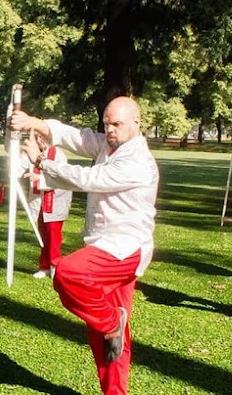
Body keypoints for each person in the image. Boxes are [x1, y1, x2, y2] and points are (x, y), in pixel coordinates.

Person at [10, 96, 159, 395]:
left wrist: (41, 161)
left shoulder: (137, 161)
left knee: (67, 273)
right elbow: (74, 137)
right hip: (104, 245)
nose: (110, 129)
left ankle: (112, 321)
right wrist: (31, 122)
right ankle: (114, 390)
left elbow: (91, 179)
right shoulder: (108, 143)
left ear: (136, 123)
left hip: (125, 248)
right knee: (105, 337)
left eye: (116, 124)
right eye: (106, 123)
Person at [18, 132, 72, 279]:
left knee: (53, 236)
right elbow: (20, 164)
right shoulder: (34, 153)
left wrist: (40, 178)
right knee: (43, 234)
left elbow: (60, 176)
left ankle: (55, 265)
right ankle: (44, 266)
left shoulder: (58, 154)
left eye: (42, 137)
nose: (40, 141)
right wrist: (11, 169)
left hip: (55, 200)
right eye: (37, 138)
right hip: (40, 201)